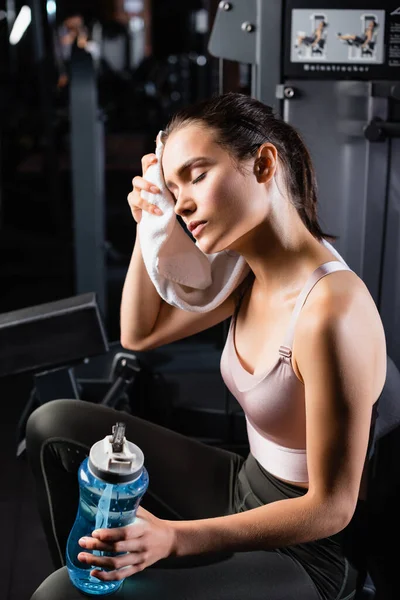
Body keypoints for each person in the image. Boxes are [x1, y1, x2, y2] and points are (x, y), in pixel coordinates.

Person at [27, 92, 387, 600]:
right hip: (244, 484)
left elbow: (332, 508)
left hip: (308, 548)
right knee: (55, 426)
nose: (183, 203)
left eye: (196, 176)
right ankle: (99, 575)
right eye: (174, 190)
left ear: (263, 163)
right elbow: (139, 332)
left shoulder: (332, 311)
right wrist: (150, 222)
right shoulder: (247, 271)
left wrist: (174, 539)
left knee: (58, 594)